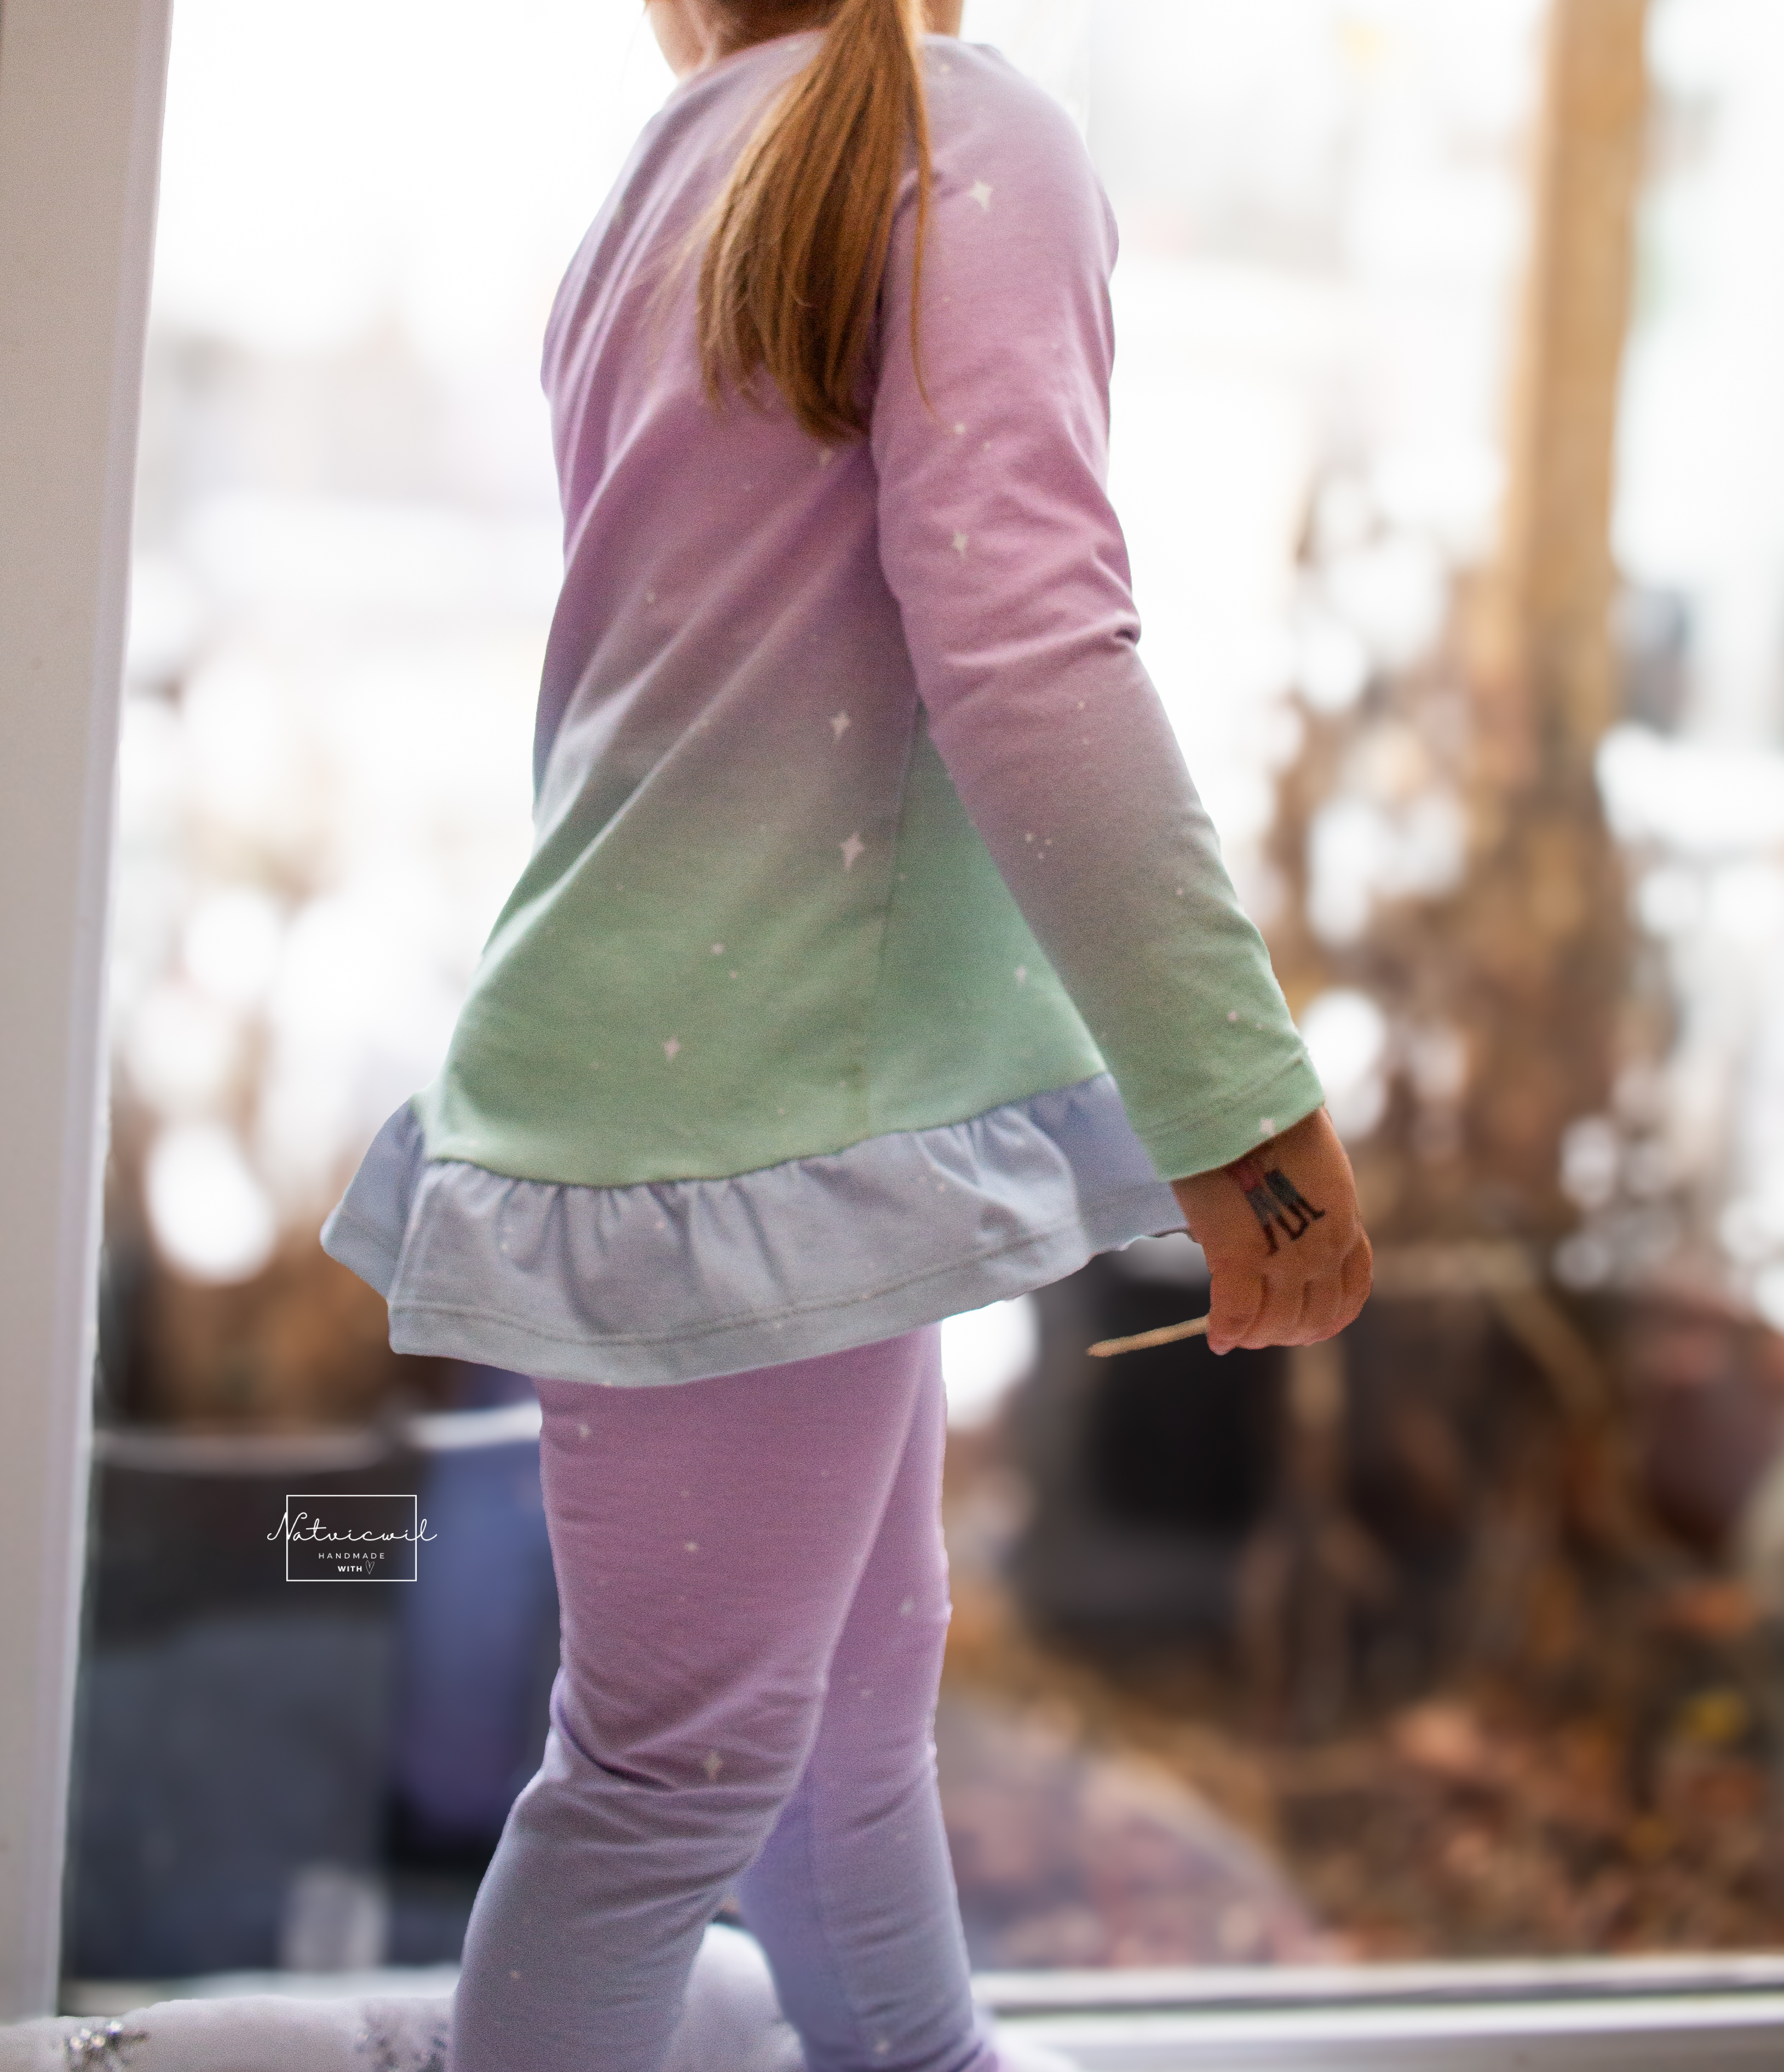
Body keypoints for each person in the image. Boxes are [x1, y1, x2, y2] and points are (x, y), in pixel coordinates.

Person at [322, 1, 1372, 2065]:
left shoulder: (686, 164)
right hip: (748, 1132)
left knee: (827, 1737)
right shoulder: (947, 137)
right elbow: (1033, 654)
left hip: (736, 1106)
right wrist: (1243, 1122)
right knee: (667, 1783)